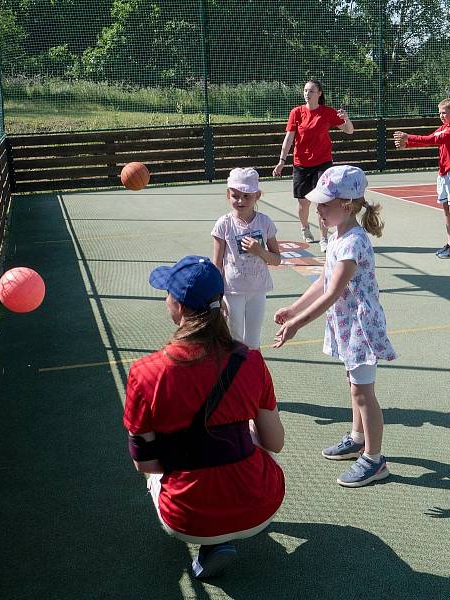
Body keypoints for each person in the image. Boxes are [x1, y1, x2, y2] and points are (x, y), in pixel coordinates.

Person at [124, 255, 285, 578]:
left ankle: (211, 542)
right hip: (262, 506)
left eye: (168, 293)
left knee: (163, 467)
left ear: (179, 307)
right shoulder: (250, 361)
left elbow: (146, 464)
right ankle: (233, 516)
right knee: (248, 437)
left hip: (185, 519)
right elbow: (275, 443)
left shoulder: (145, 373)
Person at [273, 165, 397, 488]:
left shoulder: (353, 242)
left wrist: (298, 323)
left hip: (361, 326)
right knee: (353, 382)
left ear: (346, 204)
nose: (318, 209)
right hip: (347, 325)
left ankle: (374, 459)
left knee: (363, 392)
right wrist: (294, 308)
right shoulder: (336, 236)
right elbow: (323, 281)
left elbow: (332, 294)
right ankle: (358, 437)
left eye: (324, 204)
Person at [272, 79, 354, 252]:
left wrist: (346, 119)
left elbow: (349, 130)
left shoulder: (327, 112)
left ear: (319, 93)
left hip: (323, 163)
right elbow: (289, 139)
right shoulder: (296, 112)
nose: (307, 94)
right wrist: (281, 161)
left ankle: (324, 238)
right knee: (303, 203)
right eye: (305, 91)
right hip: (301, 163)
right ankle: (305, 227)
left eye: (311, 91)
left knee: (322, 202)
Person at [212, 168, 282, 350]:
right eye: (235, 196)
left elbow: (277, 259)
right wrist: (217, 296)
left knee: (253, 340)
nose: (241, 201)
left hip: (257, 290)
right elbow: (217, 264)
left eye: (247, 196)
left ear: (257, 195)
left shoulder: (265, 222)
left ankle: (253, 374)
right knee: (234, 338)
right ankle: (235, 375)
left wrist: (260, 251)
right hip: (232, 291)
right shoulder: (224, 224)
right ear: (228, 195)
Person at [393, 98, 450, 258]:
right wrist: (408, 144)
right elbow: (430, 140)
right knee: (446, 210)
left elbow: (435, 139)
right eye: (440, 113)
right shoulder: (443, 127)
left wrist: (408, 136)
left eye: (445, 113)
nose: (441, 116)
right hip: (443, 173)